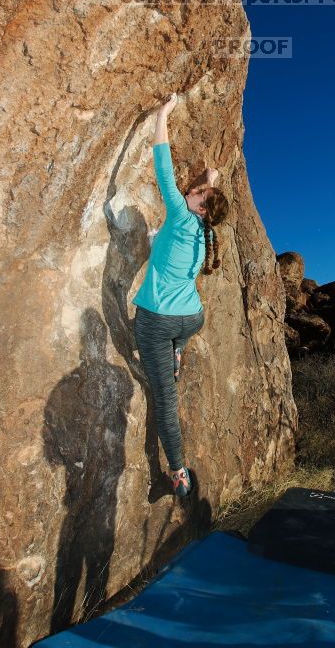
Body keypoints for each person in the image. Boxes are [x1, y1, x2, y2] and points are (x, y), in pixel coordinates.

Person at [133, 92, 229, 498]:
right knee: (183, 332)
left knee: (165, 403)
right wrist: (211, 184)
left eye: (198, 196)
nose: (190, 190)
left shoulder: (177, 211)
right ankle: (178, 350)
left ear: (200, 208)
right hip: (192, 318)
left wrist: (162, 115)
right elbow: (207, 203)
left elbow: (162, 162)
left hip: (158, 321)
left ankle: (176, 471)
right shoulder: (206, 231)